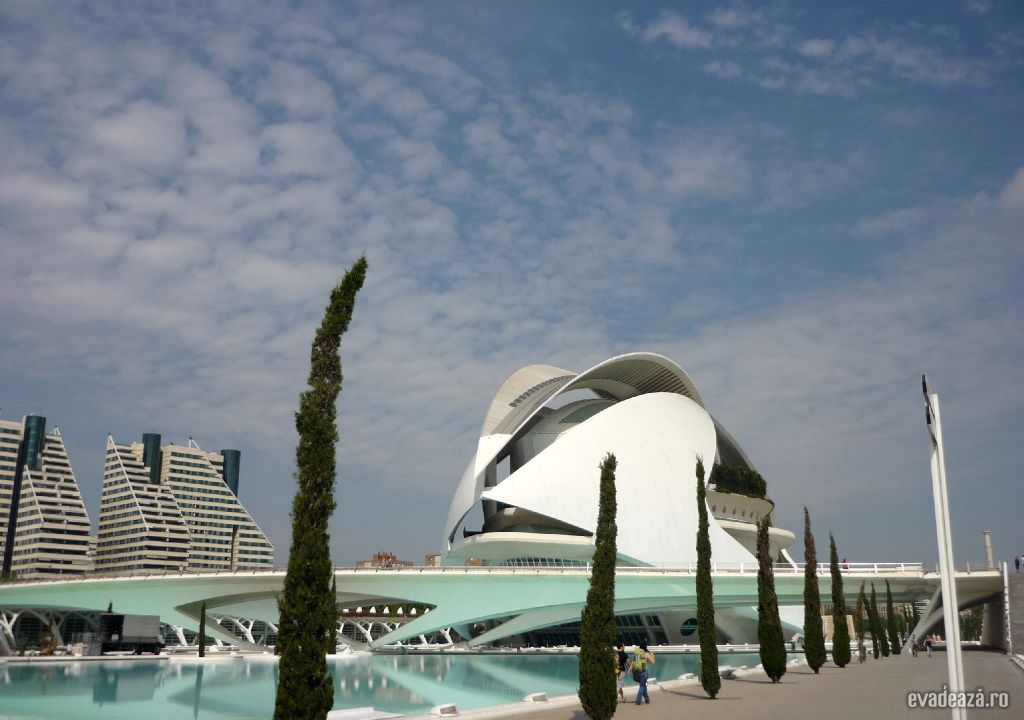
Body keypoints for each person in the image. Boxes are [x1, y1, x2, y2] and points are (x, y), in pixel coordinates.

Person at [632, 641, 655, 705]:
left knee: (643, 685)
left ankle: (647, 699)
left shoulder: (637, 653)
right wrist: (652, 654)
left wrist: (631, 670)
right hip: (643, 672)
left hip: (637, 671)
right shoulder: (646, 654)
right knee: (642, 686)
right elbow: (653, 662)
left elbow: (633, 662)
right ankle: (638, 700)